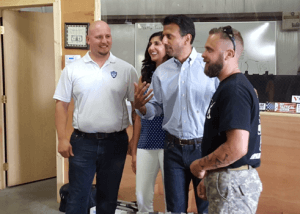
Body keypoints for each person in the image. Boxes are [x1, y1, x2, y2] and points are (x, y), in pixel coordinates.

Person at [134, 14, 219, 213]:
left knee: (206, 207)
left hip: (204, 147)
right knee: (174, 208)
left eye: (168, 36)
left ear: (187, 39)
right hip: (172, 148)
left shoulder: (208, 68)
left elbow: (221, 107)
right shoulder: (162, 72)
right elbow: (157, 108)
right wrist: (143, 107)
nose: (164, 41)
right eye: (163, 36)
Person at [53, 21, 138, 214]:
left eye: (107, 36)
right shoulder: (73, 70)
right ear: (88, 39)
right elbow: (61, 105)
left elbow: (136, 108)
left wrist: (135, 139)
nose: (104, 41)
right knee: (77, 197)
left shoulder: (126, 69)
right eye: (99, 37)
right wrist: (62, 139)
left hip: (115, 143)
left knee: (108, 198)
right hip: (82, 144)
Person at [190, 26, 263, 214]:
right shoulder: (228, 87)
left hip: (233, 183)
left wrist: (201, 165)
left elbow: (236, 148)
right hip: (228, 181)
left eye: (209, 50)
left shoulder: (235, 90)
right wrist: (210, 177)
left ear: (229, 54)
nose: (203, 55)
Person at [130, 31, 169, 212]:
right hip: (147, 140)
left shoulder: (177, 73)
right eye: (150, 43)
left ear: (168, 47)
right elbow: (138, 115)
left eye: (157, 43)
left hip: (170, 142)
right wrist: (135, 146)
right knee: (141, 195)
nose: (152, 47)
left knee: (173, 196)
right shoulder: (144, 75)